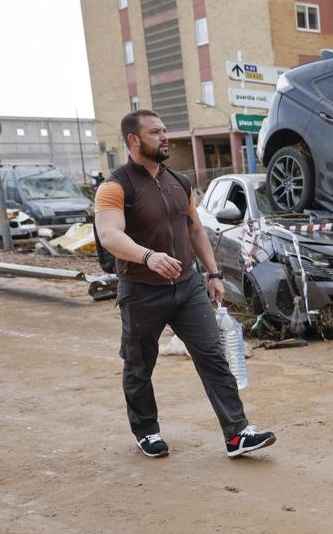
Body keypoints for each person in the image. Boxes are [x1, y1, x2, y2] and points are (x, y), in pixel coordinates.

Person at [93, 109, 275, 459]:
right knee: (139, 363)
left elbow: (194, 230)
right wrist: (148, 256)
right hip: (141, 288)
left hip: (187, 286)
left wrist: (214, 272)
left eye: (165, 130)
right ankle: (146, 431)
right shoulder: (115, 186)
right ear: (133, 139)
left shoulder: (179, 182)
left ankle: (237, 434)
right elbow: (109, 235)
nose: (165, 138)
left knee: (212, 354)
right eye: (155, 132)